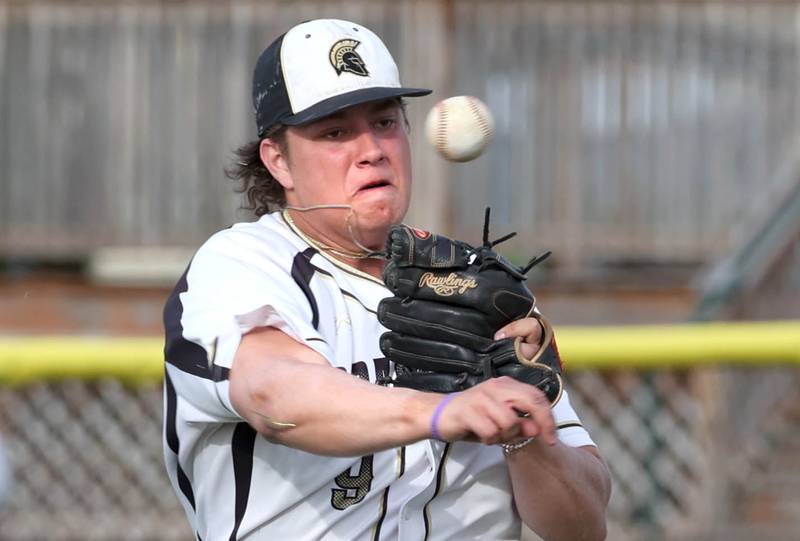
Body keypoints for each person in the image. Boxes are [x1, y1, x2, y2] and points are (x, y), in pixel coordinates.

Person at [163, 18, 610, 541]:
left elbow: (582, 526)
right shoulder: (243, 264)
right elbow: (274, 396)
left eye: (384, 122)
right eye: (334, 132)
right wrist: (444, 410)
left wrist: (521, 431)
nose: (370, 148)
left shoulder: (475, 288)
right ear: (278, 160)